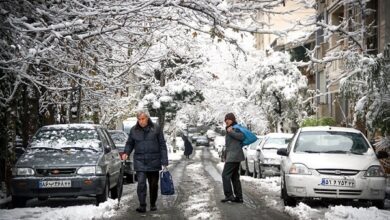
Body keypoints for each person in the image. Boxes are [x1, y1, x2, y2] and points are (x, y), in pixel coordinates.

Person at [121, 110, 168, 213]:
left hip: (154, 160)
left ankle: (153, 204)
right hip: (140, 161)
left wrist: (164, 160)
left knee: (153, 185)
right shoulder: (134, 130)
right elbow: (130, 143)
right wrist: (126, 153)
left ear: (147, 118)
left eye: (143, 119)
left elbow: (162, 145)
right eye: (139, 119)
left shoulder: (156, 128)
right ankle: (142, 205)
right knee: (141, 184)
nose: (141, 121)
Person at [221, 113, 245, 203]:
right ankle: (239, 197)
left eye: (228, 119)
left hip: (234, 156)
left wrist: (231, 132)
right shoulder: (229, 128)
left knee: (225, 175)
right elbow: (229, 144)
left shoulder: (235, 127)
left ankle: (229, 195)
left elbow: (241, 137)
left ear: (232, 120)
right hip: (233, 156)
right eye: (225, 120)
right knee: (234, 177)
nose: (226, 121)